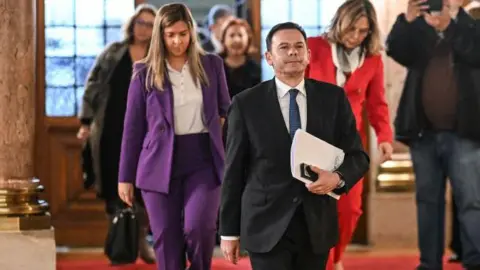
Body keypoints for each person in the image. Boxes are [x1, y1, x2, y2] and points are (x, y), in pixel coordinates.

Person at [219, 22, 370, 270]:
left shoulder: (333, 99)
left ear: (308, 55)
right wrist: (228, 232)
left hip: (316, 224)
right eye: (284, 47)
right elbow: (233, 171)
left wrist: (337, 178)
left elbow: (358, 156)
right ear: (269, 57)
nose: (293, 52)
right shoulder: (246, 104)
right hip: (265, 223)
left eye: (300, 46)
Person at [117, 3, 231, 270]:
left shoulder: (211, 64)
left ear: (191, 32)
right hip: (157, 161)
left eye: (183, 33)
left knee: (200, 228)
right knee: (167, 239)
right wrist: (125, 177)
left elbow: (225, 108)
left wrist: (215, 129)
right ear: (161, 35)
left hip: (203, 159)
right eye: (171, 35)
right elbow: (132, 128)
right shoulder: (143, 71)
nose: (178, 41)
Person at [386, 0, 480, 269]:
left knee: (472, 201)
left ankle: (475, 261)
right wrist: (408, 19)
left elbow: (474, 52)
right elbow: (396, 49)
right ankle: (429, 264)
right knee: (427, 202)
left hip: (465, 133)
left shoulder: (473, 25)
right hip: (423, 133)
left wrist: (449, 25)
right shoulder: (418, 28)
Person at [306, 1, 393, 269]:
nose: (356, 36)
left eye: (363, 31)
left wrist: (385, 137)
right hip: (314, 141)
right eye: (351, 29)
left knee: (350, 209)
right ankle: (325, 263)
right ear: (339, 23)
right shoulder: (314, 47)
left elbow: (377, 103)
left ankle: (337, 257)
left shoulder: (373, 59)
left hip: (349, 144)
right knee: (316, 208)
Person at [76, 3, 157, 264]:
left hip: (147, 132)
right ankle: (119, 243)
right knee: (112, 185)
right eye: (141, 22)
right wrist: (86, 122)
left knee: (145, 187)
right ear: (132, 25)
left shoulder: (159, 56)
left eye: (150, 24)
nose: (144, 28)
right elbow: (93, 85)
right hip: (110, 127)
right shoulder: (113, 52)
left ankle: (141, 240)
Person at [219, 18, 261, 98]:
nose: (236, 40)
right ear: (223, 39)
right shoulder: (215, 66)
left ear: (248, 39)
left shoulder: (256, 70)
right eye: (232, 35)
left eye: (240, 35)